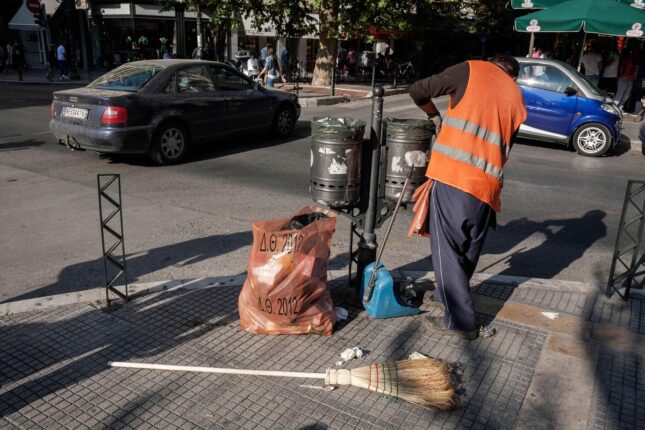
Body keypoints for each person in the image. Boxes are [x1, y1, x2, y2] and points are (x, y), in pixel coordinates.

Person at [408, 55, 527, 339]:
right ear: (513, 76)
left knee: (447, 250)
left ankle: (460, 322)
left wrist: (434, 116)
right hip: (487, 187)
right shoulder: (516, 97)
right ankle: (445, 295)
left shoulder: (472, 69)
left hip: (453, 176)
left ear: (491, 63)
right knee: (467, 249)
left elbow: (418, 90)